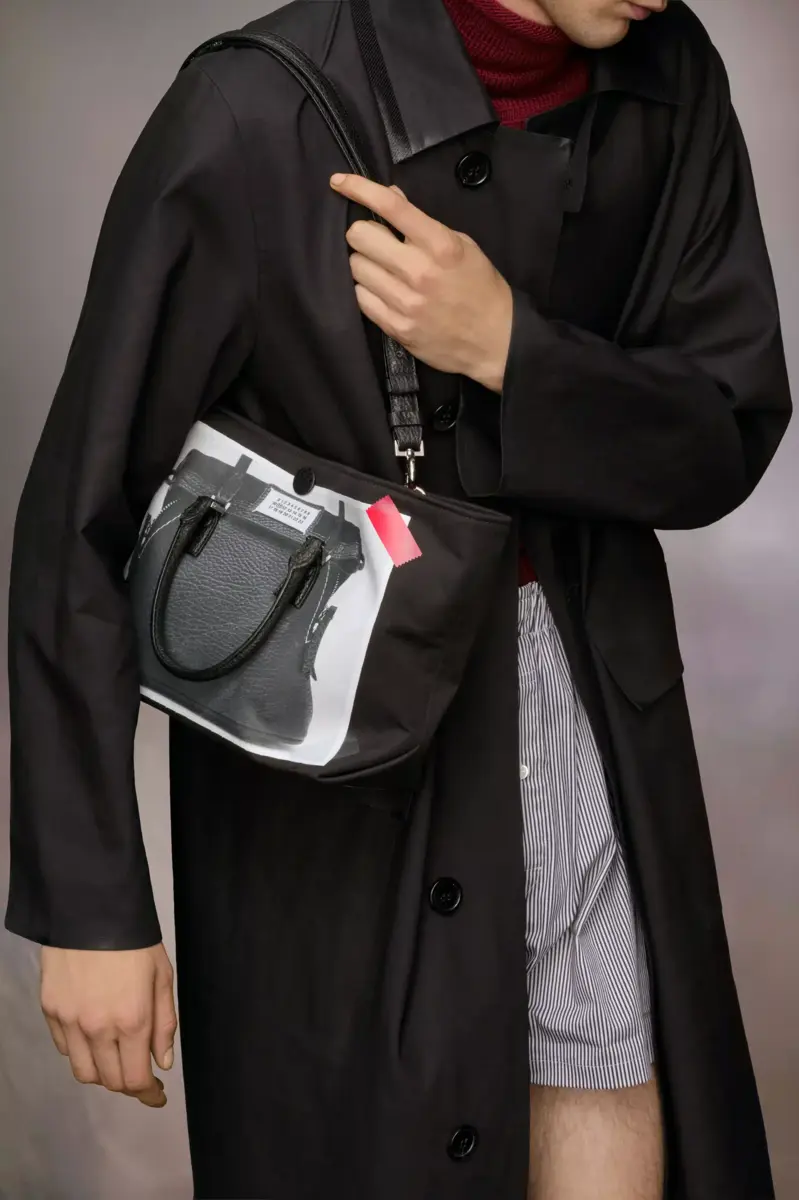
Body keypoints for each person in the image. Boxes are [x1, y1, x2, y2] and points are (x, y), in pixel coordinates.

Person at [5, 0, 791, 1197]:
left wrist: (513, 351)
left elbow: (724, 433)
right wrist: (89, 903)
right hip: (334, 760)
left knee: (613, 1081)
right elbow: (80, 519)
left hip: (591, 697)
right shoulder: (254, 106)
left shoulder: (672, 76)